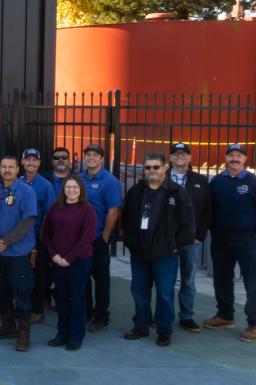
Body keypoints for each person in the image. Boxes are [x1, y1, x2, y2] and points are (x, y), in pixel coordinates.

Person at [121, 153, 196, 347]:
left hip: (165, 256)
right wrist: (130, 241)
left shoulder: (178, 193)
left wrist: (175, 246)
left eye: (156, 167)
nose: (152, 170)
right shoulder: (136, 191)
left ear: (165, 168)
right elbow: (125, 216)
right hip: (139, 253)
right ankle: (141, 326)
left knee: (164, 294)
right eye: (148, 167)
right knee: (139, 292)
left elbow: (188, 224)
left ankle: (164, 330)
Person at [203, 144, 256, 342]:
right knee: (222, 278)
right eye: (231, 155)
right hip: (220, 237)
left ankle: (255, 323)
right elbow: (209, 208)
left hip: (246, 238)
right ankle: (225, 316)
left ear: (245, 159)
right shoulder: (217, 181)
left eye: (239, 155)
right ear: (226, 158)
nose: (234, 158)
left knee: (252, 281)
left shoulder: (255, 183)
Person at [0, 155, 38, 352]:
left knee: (21, 293)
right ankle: (7, 327)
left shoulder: (26, 191)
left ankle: (23, 333)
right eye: (3, 166)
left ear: (17, 169)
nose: (7, 170)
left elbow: (28, 220)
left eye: (11, 167)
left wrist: (5, 242)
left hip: (19, 253)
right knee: (0, 293)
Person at [41, 176, 97, 351]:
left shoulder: (87, 209)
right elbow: (46, 233)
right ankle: (62, 334)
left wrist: (69, 258)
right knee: (62, 299)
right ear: (63, 189)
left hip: (79, 261)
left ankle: (76, 337)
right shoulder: (55, 207)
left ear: (81, 190)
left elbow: (87, 238)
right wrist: (54, 255)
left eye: (75, 187)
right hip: (58, 260)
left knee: (77, 299)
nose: (71, 190)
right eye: (68, 187)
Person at [168, 142, 212, 333]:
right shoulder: (161, 176)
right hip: (166, 239)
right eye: (176, 153)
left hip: (191, 240)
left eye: (183, 153)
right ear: (170, 157)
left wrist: (200, 235)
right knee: (166, 279)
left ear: (189, 157)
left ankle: (186, 316)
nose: (180, 156)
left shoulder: (200, 180)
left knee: (188, 280)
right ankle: (165, 315)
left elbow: (208, 209)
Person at [79, 143, 122, 333]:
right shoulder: (79, 179)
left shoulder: (110, 181)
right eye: (88, 154)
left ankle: (101, 317)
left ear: (102, 158)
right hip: (79, 239)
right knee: (82, 277)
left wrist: (104, 238)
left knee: (101, 281)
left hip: (98, 239)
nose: (91, 158)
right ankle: (87, 311)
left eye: (95, 155)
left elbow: (114, 211)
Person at [20, 148, 57, 324]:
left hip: (36, 238)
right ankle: (24, 307)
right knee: (22, 274)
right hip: (18, 237)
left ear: (39, 163)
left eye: (34, 160)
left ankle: (37, 310)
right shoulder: (18, 182)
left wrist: (42, 235)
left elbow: (49, 213)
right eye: (28, 160)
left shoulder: (46, 185)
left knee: (38, 275)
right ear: (22, 162)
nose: (31, 163)